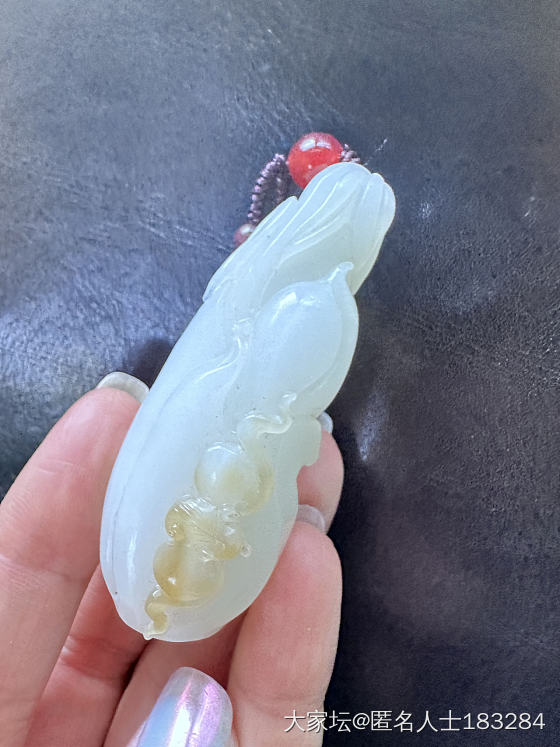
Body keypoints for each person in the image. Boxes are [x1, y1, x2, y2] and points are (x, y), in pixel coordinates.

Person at [0, 373, 343, 746]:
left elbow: (225, 539)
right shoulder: (192, 510)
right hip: (178, 569)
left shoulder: (218, 518)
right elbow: (183, 524)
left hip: (196, 574)